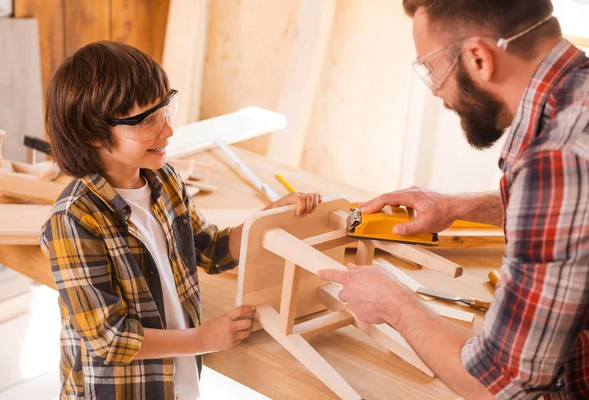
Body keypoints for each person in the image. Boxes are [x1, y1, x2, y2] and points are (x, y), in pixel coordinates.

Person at [318, 1, 589, 399]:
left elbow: (500, 383)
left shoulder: (556, 160)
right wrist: (458, 208)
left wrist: (395, 305)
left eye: (431, 68)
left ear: (479, 58)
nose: (436, 91)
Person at [40, 41, 323, 399]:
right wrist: (204, 338)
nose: (168, 130)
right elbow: (109, 339)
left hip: (176, 380)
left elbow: (211, 249)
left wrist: (269, 218)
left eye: (164, 110)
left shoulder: (165, 180)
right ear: (94, 134)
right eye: (147, 120)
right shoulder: (74, 220)